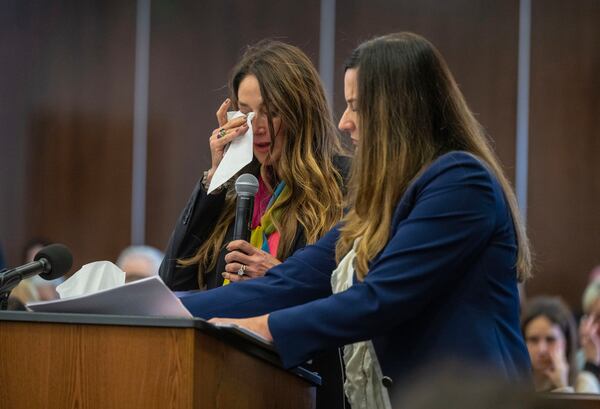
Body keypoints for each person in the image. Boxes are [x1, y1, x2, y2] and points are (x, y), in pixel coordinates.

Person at [178, 32, 533, 407]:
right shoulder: (378, 203)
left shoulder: (462, 182)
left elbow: (379, 299)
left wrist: (263, 326)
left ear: (399, 109)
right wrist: (160, 308)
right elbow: (291, 280)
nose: (345, 122)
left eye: (355, 106)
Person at [159, 40, 349, 409]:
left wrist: (280, 276)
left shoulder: (343, 184)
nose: (257, 127)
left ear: (301, 113)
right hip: (222, 383)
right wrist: (213, 180)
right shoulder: (232, 191)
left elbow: (354, 292)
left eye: (271, 112)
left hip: (304, 386)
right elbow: (174, 284)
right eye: (245, 113)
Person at [521, 296, 600, 393]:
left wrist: (562, 386)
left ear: (566, 343)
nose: (542, 349)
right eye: (533, 340)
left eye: (550, 339)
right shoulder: (510, 382)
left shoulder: (585, 383)